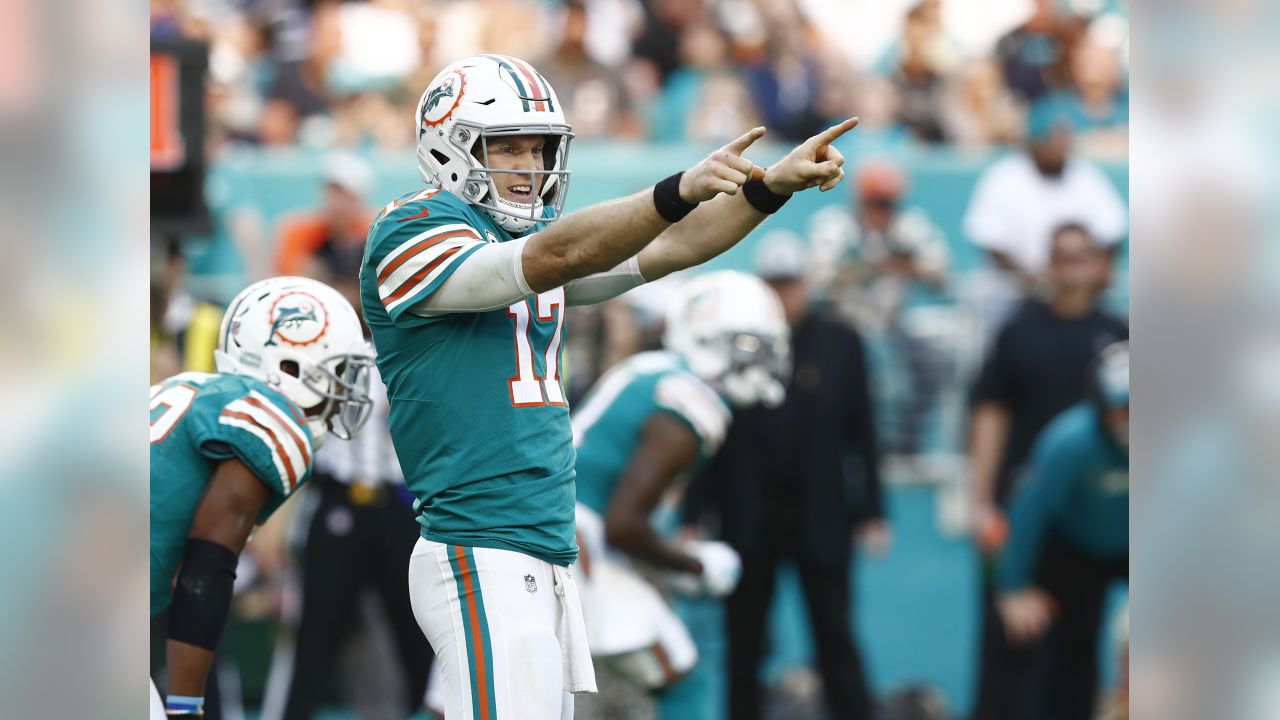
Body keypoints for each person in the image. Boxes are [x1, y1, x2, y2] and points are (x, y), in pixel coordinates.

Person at [358, 54, 858, 720]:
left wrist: (771, 188)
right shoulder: (410, 230)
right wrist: (676, 188)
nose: (529, 166)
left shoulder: (527, 238)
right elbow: (558, 255)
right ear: (449, 146)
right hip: (480, 545)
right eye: (507, 147)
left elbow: (671, 249)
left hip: (546, 548)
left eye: (537, 148)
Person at [150, 276, 375, 718]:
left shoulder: (193, 388)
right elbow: (206, 571)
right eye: (339, 370)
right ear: (289, 366)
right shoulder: (268, 423)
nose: (345, 389)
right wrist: (187, 706)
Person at [683, 234, 886, 720]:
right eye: (773, 285)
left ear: (807, 284)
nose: (783, 296)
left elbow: (864, 430)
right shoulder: (733, 341)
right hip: (749, 515)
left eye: (790, 284)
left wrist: (874, 512)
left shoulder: (841, 341)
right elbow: (711, 429)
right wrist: (695, 512)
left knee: (835, 635)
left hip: (823, 513)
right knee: (745, 644)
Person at [572, 271, 789, 698]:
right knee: (687, 684)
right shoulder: (691, 401)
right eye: (748, 346)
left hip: (551, 526)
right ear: (706, 338)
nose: (759, 361)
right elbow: (623, 525)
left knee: (455, 706)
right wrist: (694, 564)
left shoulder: (656, 370)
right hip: (570, 541)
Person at [967, 224, 1128, 720]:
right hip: (1030, 512)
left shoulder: (1120, 334)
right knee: (1011, 650)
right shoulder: (1019, 332)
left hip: (1099, 521)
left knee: (1078, 660)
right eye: (1063, 257)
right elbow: (990, 413)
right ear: (1048, 266)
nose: (1073, 267)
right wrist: (979, 501)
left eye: (1084, 257)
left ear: (1101, 266)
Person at [261, 365, 433, 720]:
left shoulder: (414, 333)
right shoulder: (325, 338)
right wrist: (274, 521)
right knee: (312, 643)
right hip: (338, 500)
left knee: (423, 640)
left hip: (400, 504)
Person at [994, 341, 1129, 720]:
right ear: (1102, 406)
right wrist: (1013, 587)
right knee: (1070, 654)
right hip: (1076, 551)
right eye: (1124, 409)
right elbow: (1029, 513)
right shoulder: (1069, 443)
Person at [962, 101, 1127, 332]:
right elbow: (990, 241)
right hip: (1013, 293)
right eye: (1053, 139)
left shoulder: (1084, 174)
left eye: (1064, 139)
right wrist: (1033, 282)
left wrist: (1094, 274)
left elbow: (1112, 229)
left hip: (1076, 290)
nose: (1060, 147)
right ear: (1035, 142)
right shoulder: (1003, 177)